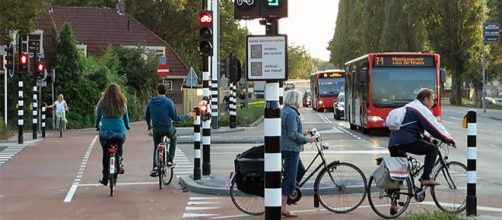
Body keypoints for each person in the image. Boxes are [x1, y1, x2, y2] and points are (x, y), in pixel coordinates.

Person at [388, 88, 456, 187]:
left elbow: (415, 128)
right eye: (432, 100)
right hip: (407, 141)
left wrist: (429, 139)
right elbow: (434, 126)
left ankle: (394, 194)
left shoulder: (409, 107)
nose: (433, 103)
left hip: (393, 143)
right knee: (433, 149)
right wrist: (448, 139)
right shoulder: (420, 108)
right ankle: (426, 178)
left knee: (399, 171)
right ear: (425, 99)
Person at [146, 84, 194, 177]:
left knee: (156, 146)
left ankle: (155, 167)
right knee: (173, 138)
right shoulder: (169, 102)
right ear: (166, 92)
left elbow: (147, 116)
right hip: (167, 128)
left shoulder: (150, 102)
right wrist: (186, 116)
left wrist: (149, 125)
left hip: (156, 129)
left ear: (157, 91)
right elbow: (175, 118)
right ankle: (170, 160)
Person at [280, 90, 315, 218]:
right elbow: (292, 134)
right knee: (289, 178)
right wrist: (308, 139)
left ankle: (290, 193)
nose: (301, 102)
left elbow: (291, 130)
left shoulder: (286, 111)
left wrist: (304, 132)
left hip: (288, 147)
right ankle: (283, 207)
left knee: (300, 170)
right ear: (294, 100)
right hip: (291, 149)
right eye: (299, 99)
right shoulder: (290, 113)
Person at [95, 84, 130, 186]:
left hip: (105, 131)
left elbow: (98, 115)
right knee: (120, 144)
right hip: (119, 130)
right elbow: (125, 116)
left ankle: (105, 177)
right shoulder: (122, 101)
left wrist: (97, 125)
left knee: (105, 153)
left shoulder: (103, 102)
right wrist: (127, 126)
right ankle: (118, 163)